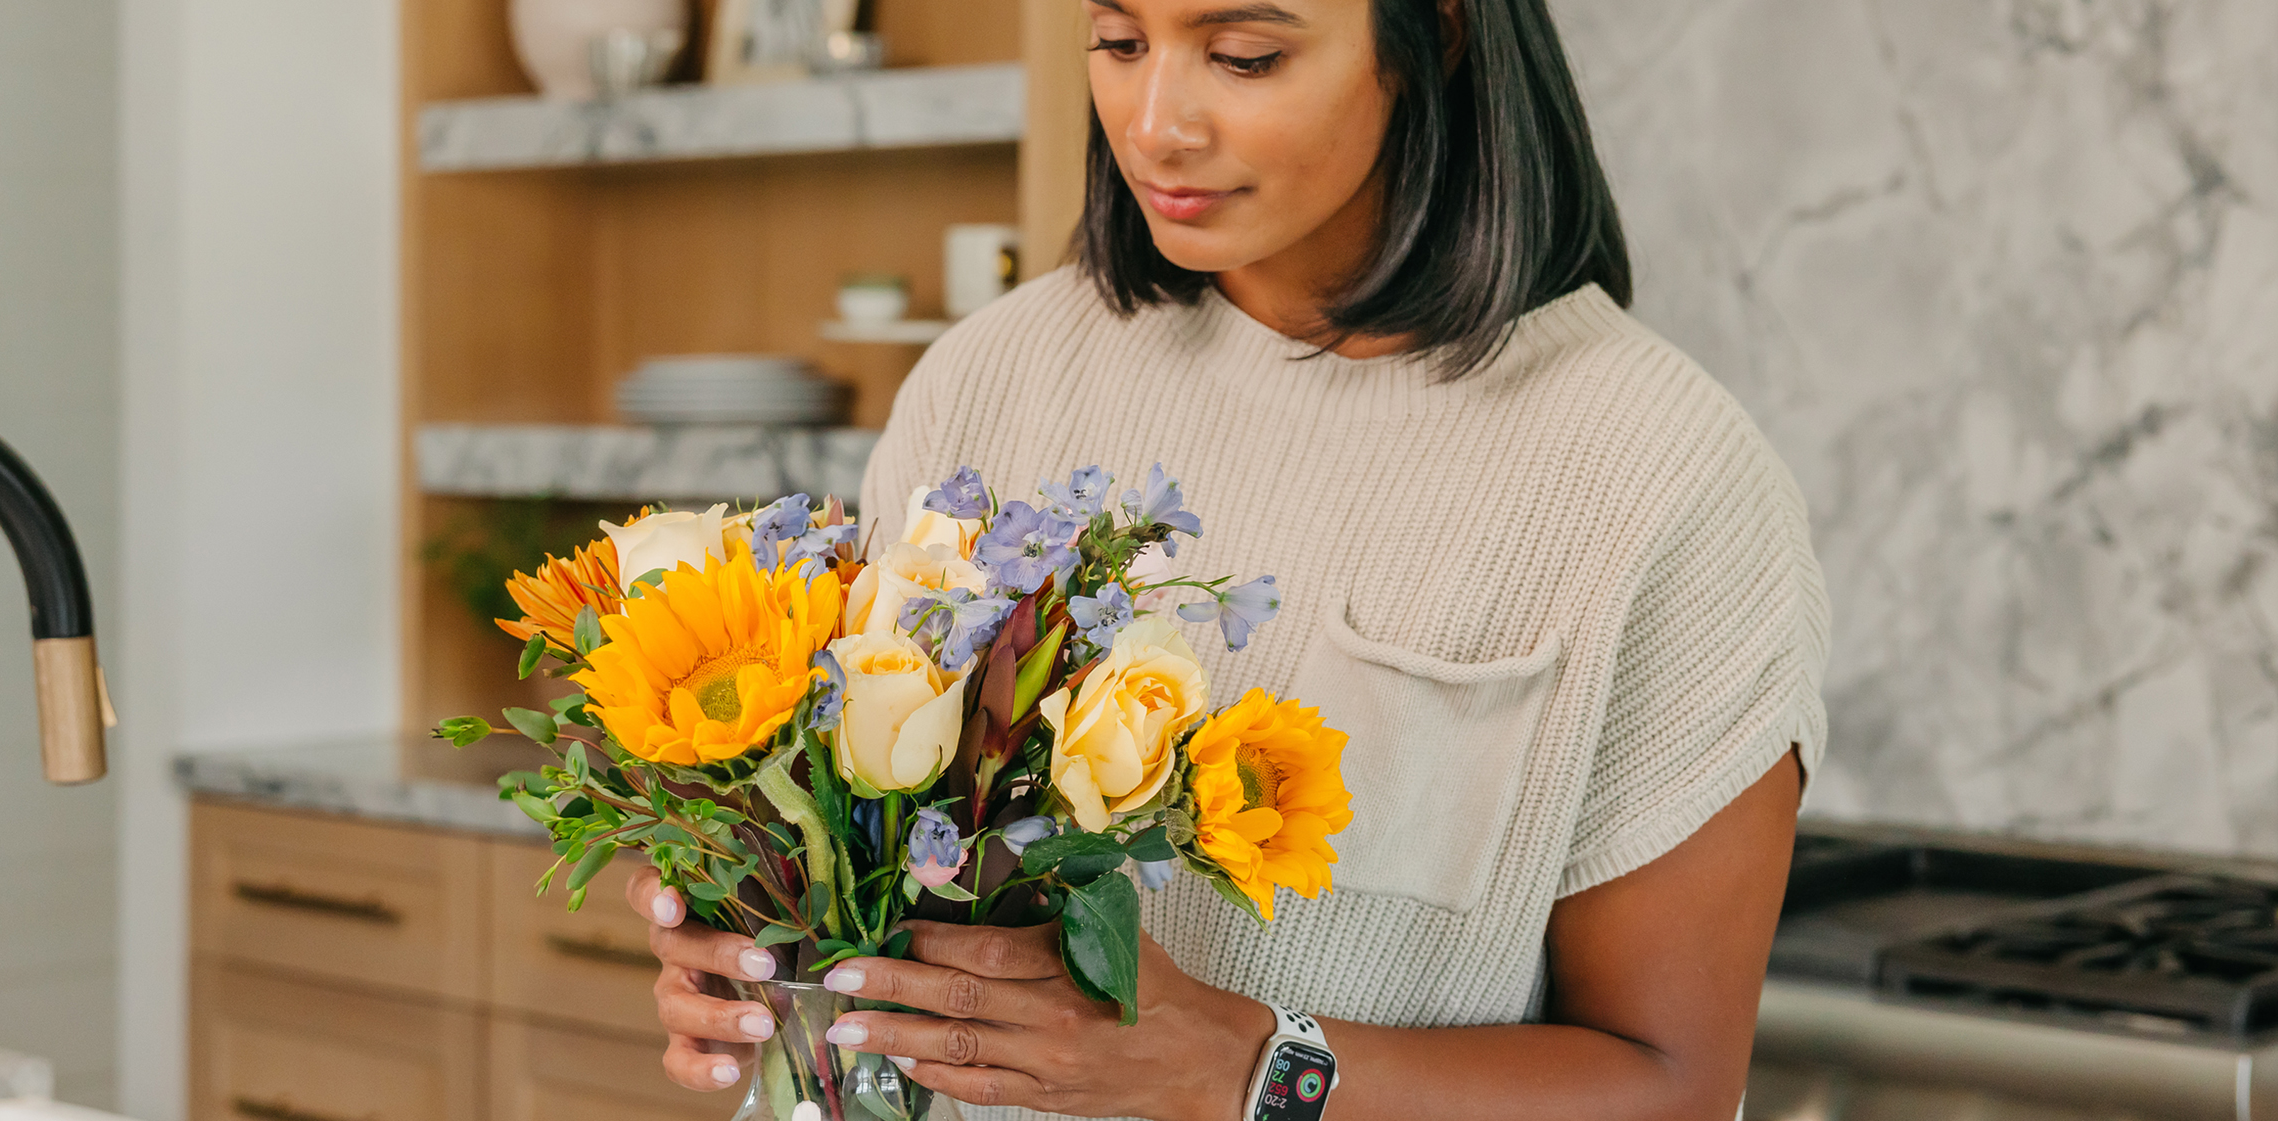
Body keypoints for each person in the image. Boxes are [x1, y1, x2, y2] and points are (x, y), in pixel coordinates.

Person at [626, 0, 1826, 1116]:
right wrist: (760, 928)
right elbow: (887, 867)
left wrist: (1241, 1063)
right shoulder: (990, 377)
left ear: (1437, 33)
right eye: (1117, 40)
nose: (1157, 125)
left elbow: (1668, 1085)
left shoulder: (1665, 477)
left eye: (1244, 55)